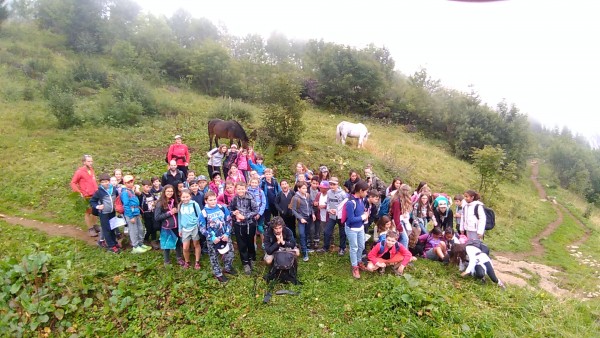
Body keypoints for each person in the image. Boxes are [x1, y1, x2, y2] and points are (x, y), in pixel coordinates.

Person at [200, 191, 236, 283]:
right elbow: (202, 228)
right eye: (210, 200)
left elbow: (229, 221)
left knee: (230, 252)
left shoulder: (222, 208)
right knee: (214, 256)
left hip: (224, 236)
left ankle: (227, 267)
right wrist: (212, 237)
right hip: (213, 239)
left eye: (214, 199)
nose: (213, 202)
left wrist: (227, 234)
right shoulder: (203, 213)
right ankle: (218, 273)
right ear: (206, 201)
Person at [229, 181, 259, 275]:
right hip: (238, 226)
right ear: (236, 189)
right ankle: (245, 263)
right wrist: (234, 213)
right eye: (238, 189)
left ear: (245, 188)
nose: (240, 190)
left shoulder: (250, 197)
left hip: (250, 224)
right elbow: (230, 209)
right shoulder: (234, 199)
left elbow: (255, 210)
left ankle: (252, 259)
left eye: (242, 188)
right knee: (241, 244)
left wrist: (244, 216)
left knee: (250, 242)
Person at [89, 173, 120, 253]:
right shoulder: (99, 192)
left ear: (109, 181)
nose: (105, 183)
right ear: (100, 183)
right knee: (107, 229)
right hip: (103, 213)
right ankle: (110, 246)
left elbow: (117, 196)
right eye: (102, 182)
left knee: (112, 227)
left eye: (106, 181)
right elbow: (92, 201)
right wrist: (97, 206)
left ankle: (114, 243)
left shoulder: (113, 189)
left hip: (112, 212)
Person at [345, 180, 369, 279]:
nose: (367, 193)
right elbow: (350, 219)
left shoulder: (361, 200)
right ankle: (355, 266)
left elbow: (361, 212)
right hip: (352, 229)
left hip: (360, 228)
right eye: (366, 191)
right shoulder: (351, 203)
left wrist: (364, 215)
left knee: (361, 245)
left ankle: (359, 261)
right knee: (354, 247)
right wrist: (363, 217)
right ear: (360, 190)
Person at [155, 185, 184, 266]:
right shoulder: (160, 203)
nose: (170, 193)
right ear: (164, 192)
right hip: (167, 227)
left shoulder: (174, 201)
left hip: (176, 226)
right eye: (168, 191)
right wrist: (169, 213)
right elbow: (157, 217)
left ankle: (179, 258)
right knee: (166, 245)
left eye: (171, 191)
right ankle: (166, 261)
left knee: (178, 242)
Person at [120, 175, 150, 253]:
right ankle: (135, 246)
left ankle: (140, 243)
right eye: (128, 182)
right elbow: (126, 205)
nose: (130, 183)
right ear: (125, 183)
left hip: (136, 212)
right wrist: (130, 216)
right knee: (134, 230)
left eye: (131, 181)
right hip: (131, 214)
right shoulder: (125, 192)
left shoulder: (131, 191)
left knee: (140, 228)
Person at [70, 154, 99, 237]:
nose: (91, 163)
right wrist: (79, 192)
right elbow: (73, 183)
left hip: (94, 194)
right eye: (89, 161)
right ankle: (90, 228)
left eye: (91, 161)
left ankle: (95, 225)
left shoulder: (91, 170)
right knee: (88, 212)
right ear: (84, 162)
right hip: (86, 195)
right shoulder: (79, 172)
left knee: (95, 211)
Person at [318, 177, 348, 255]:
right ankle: (326, 247)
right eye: (330, 184)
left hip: (341, 217)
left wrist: (337, 211)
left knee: (342, 233)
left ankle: (342, 248)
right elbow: (327, 203)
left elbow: (346, 205)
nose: (332, 186)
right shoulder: (329, 192)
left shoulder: (343, 194)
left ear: (337, 184)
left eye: (334, 184)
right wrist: (329, 210)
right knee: (327, 232)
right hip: (332, 216)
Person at [291, 181, 315, 262]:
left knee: (307, 233)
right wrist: (300, 218)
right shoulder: (295, 198)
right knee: (302, 234)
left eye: (306, 188)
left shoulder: (307, 196)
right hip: (302, 219)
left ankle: (306, 248)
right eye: (303, 188)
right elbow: (293, 210)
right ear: (299, 189)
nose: (305, 190)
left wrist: (313, 214)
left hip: (309, 218)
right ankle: (304, 252)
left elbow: (311, 205)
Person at [178, 189, 202, 269]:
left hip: (194, 227)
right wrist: (179, 229)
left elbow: (200, 216)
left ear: (190, 196)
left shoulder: (195, 204)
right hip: (185, 228)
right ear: (180, 197)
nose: (185, 199)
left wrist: (200, 226)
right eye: (183, 197)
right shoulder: (180, 205)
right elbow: (179, 217)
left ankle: (197, 261)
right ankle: (187, 261)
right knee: (185, 247)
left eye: (187, 197)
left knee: (196, 244)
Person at [389, 184, 412, 249]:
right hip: (397, 222)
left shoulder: (401, 200)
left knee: (402, 239)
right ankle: (404, 255)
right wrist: (400, 228)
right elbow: (396, 217)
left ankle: (400, 253)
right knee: (405, 239)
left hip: (402, 220)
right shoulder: (397, 202)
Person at [139, 179, 159, 250]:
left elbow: (156, 200)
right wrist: (141, 213)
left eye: (150, 187)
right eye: (147, 187)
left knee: (154, 227)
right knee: (148, 227)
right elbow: (139, 204)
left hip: (152, 212)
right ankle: (146, 238)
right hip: (146, 213)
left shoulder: (152, 194)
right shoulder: (141, 195)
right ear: (143, 186)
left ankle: (154, 240)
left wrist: (155, 203)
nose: (148, 189)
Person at [247, 177, 266, 248]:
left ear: (258, 183)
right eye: (253, 182)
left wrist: (259, 213)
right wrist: (251, 214)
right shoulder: (247, 192)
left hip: (260, 214)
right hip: (251, 214)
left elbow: (263, 203)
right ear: (250, 183)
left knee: (260, 228)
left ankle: (263, 243)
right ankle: (254, 244)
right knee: (253, 229)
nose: (254, 184)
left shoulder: (261, 192)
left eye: (256, 183)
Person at [314, 180, 329, 251]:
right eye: (320, 187)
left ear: (326, 188)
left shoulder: (329, 195)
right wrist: (315, 204)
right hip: (320, 215)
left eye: (322, 187)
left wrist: (325, 206)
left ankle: (330, 243)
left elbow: (332, 205)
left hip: (328, 216)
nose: (320, 188)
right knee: (323, 229)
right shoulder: (318, 194)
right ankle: (324, 244)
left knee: (328, 230)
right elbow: (315, 202)